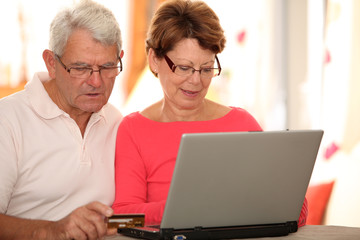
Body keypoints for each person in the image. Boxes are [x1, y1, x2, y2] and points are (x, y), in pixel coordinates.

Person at [112, 0, 308, 227]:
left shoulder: (240, 123)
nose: (196, 81)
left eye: (206, 69)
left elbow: (297, 210)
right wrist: (183, 208)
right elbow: (122, 218)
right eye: (184, 68)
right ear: (154, 60)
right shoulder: (134, 129)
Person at [0, 0, 124, 239]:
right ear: (51, 63)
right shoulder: (8, 120)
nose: (96, 82)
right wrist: (50, 230)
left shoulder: (117, 121)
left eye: (107, 66)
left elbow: (125, 216)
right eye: (80, 67)